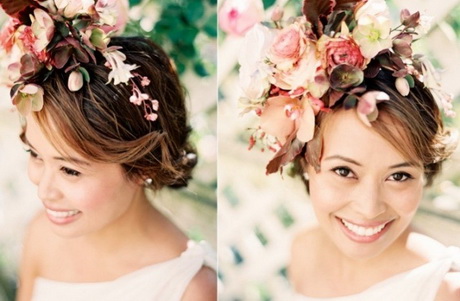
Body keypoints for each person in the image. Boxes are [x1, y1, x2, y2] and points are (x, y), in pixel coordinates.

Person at [237, 0, 459, 300]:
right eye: (344, 171)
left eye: (399, 176)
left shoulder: (445, 290)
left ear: (425, 172)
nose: (369, 208)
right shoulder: (302, 249)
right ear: (305, 162)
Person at [0, 1, 216, 300]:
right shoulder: (42, 233)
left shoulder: (190, 290)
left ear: (143, 166)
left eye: (70, 170)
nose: (44, 191)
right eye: (36, 155)